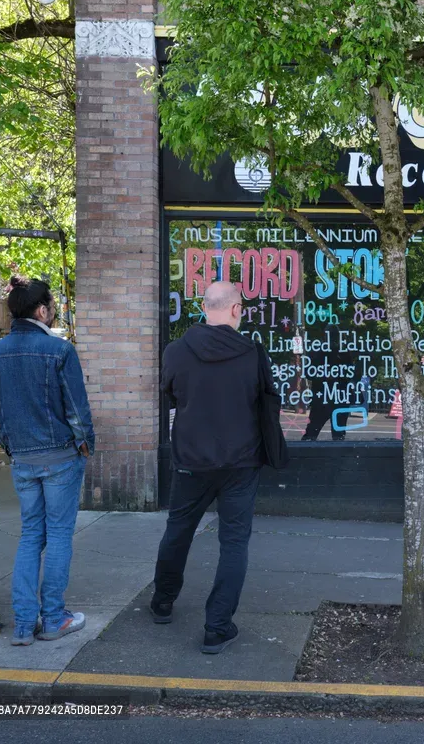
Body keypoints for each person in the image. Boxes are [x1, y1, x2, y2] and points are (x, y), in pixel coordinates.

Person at [152, 280, 275, 654]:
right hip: (240, 461)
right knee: (234, 543)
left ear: (204, 307)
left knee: (178, 531)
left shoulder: (176, 351)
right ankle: (217, 627)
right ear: (237, 309)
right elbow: (266, 402)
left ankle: (162, 602)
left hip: (191, 459)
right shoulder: (253, 353)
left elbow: (169, 395)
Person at [0, 277, 94, 646]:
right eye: (52, 305)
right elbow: (77, 411)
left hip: (25, 458)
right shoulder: (59, 350)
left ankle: (25, 624)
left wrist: (14, 447)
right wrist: (85, 446)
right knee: (59, 536)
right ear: (42, 310)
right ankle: (54, 617)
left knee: (31, 536)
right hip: (61, 455)